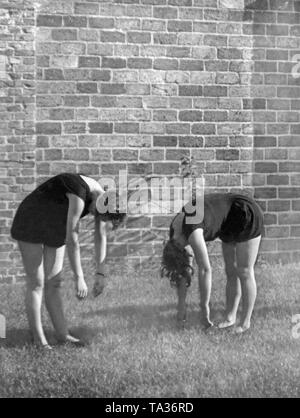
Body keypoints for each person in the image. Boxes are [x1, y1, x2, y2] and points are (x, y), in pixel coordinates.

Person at [11, 172, 126, 349]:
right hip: (31, 219)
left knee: (54, 282)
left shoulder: (101, 199)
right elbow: (73, 236)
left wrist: (100, 273)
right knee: (37, 282)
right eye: (97, 213)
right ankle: (38, 340)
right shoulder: (78, 191)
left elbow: (100, 235)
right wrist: (79, 277)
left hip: (55, 225)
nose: (94, 215)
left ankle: (62, 334)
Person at [161, 192, 264, 334]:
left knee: (244, 270)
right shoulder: (174, 232)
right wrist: (181, 306)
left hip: (244, 211)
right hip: (226, 220)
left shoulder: (192, 230)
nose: (190, 254)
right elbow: (183, 271)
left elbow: (205, 269)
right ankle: (230, 318)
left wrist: (204, 309)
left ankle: (245, 324)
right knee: (231, 270)